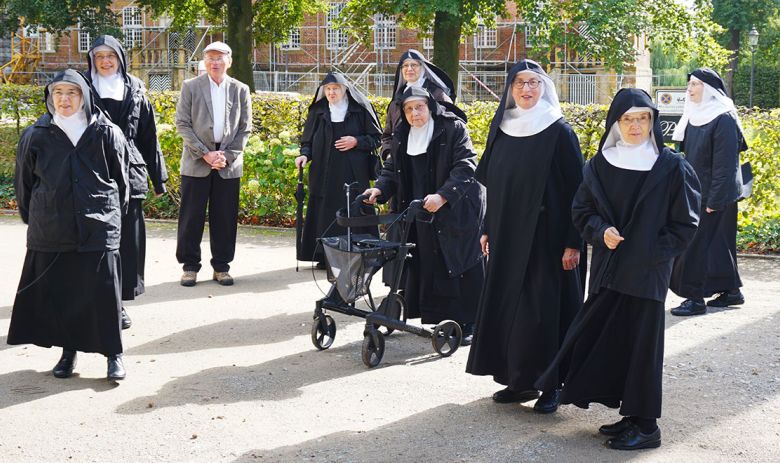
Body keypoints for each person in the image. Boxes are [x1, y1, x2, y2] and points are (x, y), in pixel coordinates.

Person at [535, 88, 701, 450]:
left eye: (643, 118)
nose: (636, 125)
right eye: (628, 119)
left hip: (646, 274)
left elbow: (685, 224)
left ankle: (647, 427)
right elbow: (581, 212)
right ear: (616, 122)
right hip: (609, 271)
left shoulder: (671, 166)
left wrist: (650, 253)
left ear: (653, 122)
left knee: (643, 348)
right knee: (615, 342)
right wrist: (600, 231)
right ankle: (631, 415)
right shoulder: (600, 165)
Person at [465, 60, 585, 414]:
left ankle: (551, 385)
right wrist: (487, 228)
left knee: (543, 313)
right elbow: (494, 186)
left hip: (547, 240)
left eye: (534, 82)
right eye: (519, 83)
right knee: (513, 310)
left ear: (544, 87)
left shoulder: (559, 131)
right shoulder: (501, 127)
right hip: (507, 235)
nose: (526, 89)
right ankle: (518, 380)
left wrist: (573, 241)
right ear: (510, 89)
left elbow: (579, 192)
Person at [8, 70, 130, 380]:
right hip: (53, 226)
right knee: (64, 293)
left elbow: (122, 182)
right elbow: (24, 184)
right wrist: (35, 219)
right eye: (58, 93)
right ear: (50, 97)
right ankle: (68, 352)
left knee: (103, 294)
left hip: (98, 225)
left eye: (72, 92)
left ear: (85, 96)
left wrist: (111, 218)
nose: (64, 99)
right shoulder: (37, 134)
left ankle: (113, 355)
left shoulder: (106, 132)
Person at [363, 87, 484, 344]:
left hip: (455, 207)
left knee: (455, 263)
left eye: (419, 107)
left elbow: (466, 166)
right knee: (426, 260)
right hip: (419, 207)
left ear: (430, 107)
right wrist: (379, 189)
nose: (414, 113)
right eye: (408, 109)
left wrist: (443, 196)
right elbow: (392, 169)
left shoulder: (453, 129)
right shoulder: (402, 134)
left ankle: (467, 323)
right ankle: (438, 318)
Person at [86, 35, 168, 330]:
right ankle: (97, 299)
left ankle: (118, 302)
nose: (105, 62)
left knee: (126, 243)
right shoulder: (82, 88)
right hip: (92, 170)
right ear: (92, 60)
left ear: (120, 58)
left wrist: (158, 179)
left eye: (111, 56)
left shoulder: (135, 89)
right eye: (99, 57)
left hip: (130, 172)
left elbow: (149, 135)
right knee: (95, 241)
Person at [669, 68, 747, 316]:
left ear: (710, 90)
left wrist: (714, 200)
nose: (689, 89)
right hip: (696, 193)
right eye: (689, 84)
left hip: (715, 196)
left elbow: (726, 165)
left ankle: (694, 298)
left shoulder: (723, 118)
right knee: (718, 245)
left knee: (694, 246)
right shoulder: (694, 114)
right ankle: (731, 291)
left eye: (694, 84)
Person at [175, 41, 252, 286]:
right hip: (197, 159)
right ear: (204, 62)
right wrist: (205, 153)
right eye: (210, 58)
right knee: (191, 217)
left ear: (229, 61)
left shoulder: (240, 89)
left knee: (225, 217)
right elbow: (183, 125)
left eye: (219, 58)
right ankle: (189, 267)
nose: (214, 62)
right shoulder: (190, 87)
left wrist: (227, 156)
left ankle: (222, 266)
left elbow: (245, 128)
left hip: (227, 162)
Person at [294, 72, 382, 268]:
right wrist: (304, 155)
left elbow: (376, 138)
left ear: (344, 90)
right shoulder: (318, 110)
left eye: (335, 89)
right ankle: (325, 256)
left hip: (353, 172)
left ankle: (358, 253)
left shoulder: (360, 110)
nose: (331, 92)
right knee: (325, 212)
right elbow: (307, 140)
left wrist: (356, 141)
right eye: (328, 89)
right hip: (323, 171)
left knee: (354, 209)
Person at [381, 49, 456, 162]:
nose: (409, 69)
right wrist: (388, 153)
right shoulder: (396, 102)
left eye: (414, 65)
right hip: (402, 162)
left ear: (422, 67)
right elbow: (387, 135)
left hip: (433, 160)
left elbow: (452, 128)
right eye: (405, 65)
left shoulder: (438, 95)